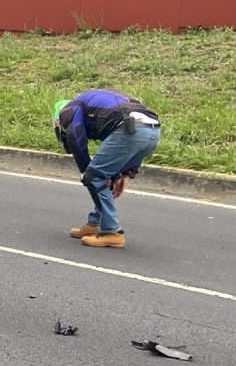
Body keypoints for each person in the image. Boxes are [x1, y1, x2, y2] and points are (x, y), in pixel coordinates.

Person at [53, 90, 161, 249]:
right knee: (106, 177)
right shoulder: (96, 103)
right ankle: (94, 223)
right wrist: (127, 172)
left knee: (94, 177)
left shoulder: (69, 110)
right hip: (152, 131)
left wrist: (86, 171)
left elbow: (76, 138)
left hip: (130, 129)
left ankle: (112, 232)